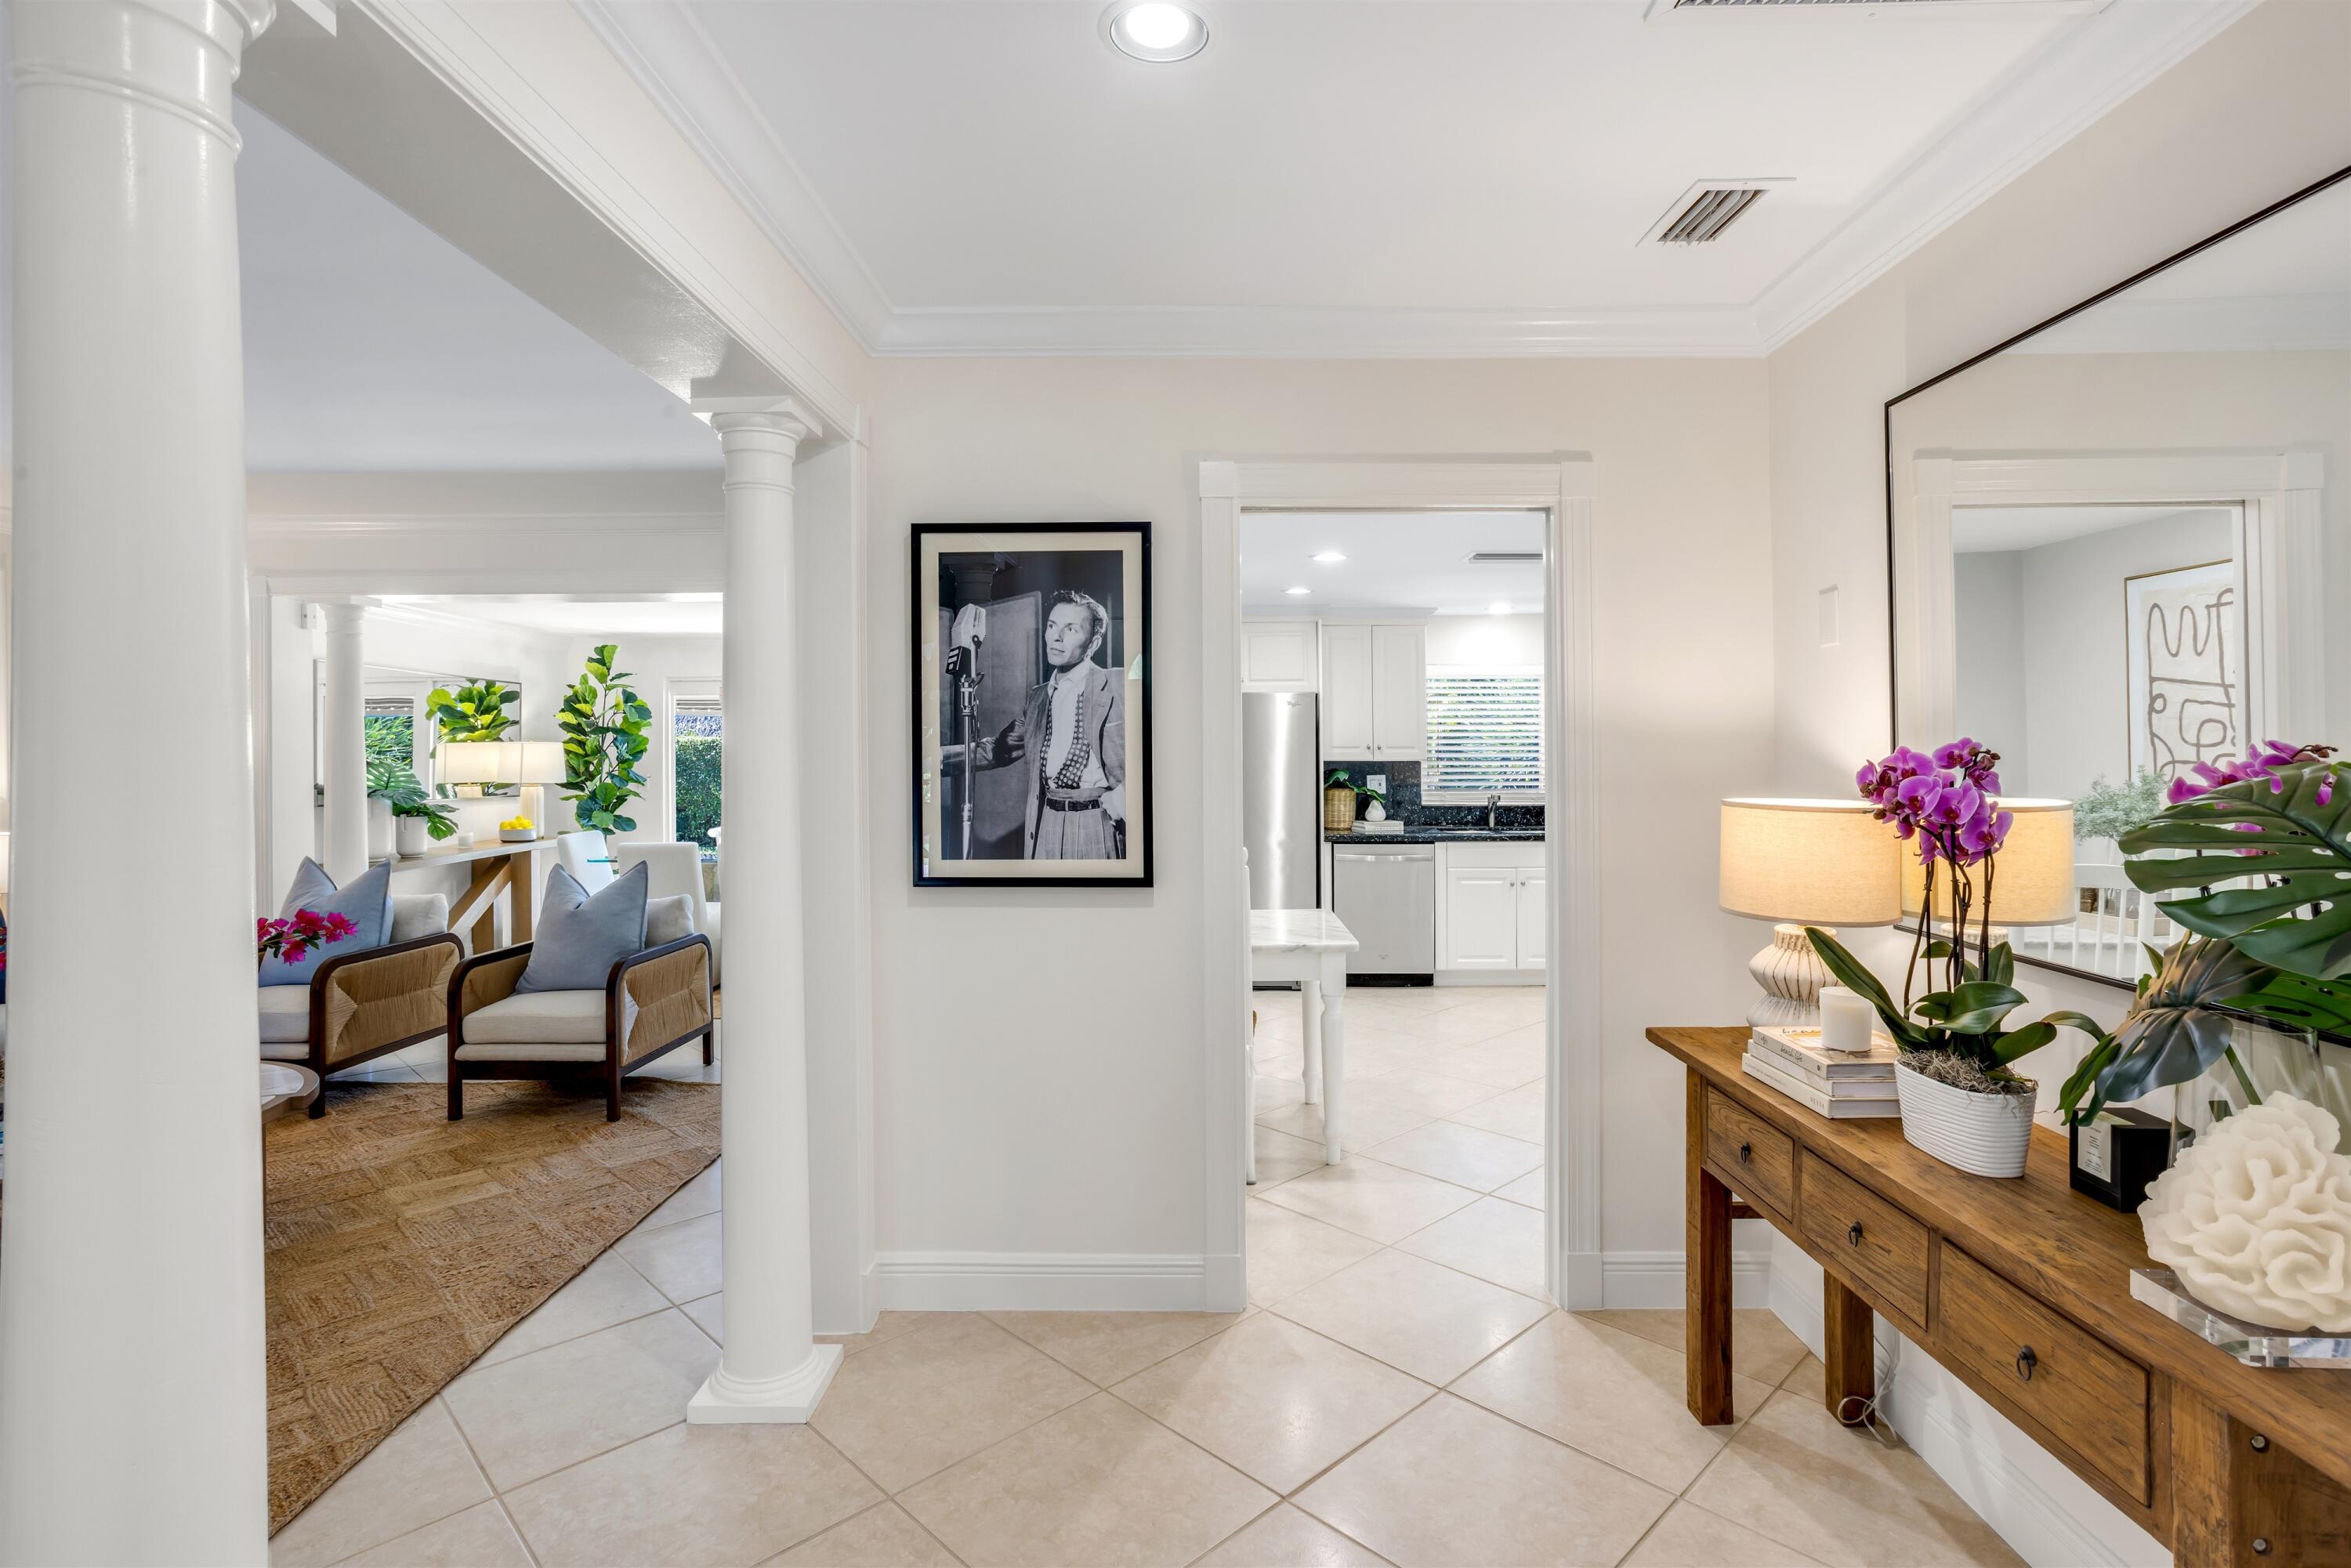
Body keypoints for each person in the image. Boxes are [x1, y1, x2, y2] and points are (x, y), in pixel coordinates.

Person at [970, 589, 1127, 859]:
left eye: (1071, 629)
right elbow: (1000, 749)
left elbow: (1164, 748)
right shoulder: (1038, 696)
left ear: (1094, 642)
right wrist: (932, 760)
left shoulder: (1118, 684)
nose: (1056, 637)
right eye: (1052, 626)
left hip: (1096, 822)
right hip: (1046, 823)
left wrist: (1124, 799)